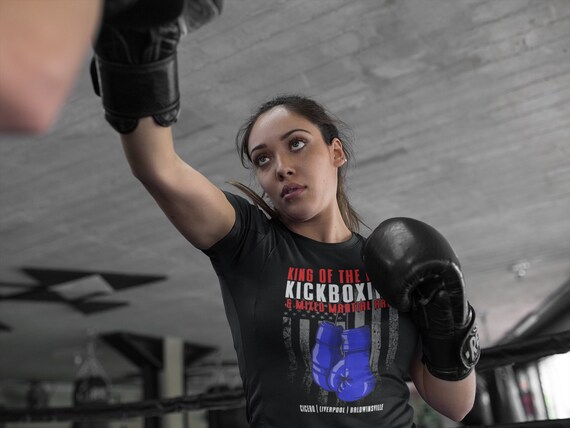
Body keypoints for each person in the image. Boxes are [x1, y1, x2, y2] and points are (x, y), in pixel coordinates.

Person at [91, 1, 479, 426]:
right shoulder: (250, 244)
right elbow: (159, 168)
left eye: (296, 143)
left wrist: (449, 317)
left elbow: (455, 405)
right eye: (262, 159)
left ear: (336, 151)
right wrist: (137, 51)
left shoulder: (395, 264)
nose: (280, 167)